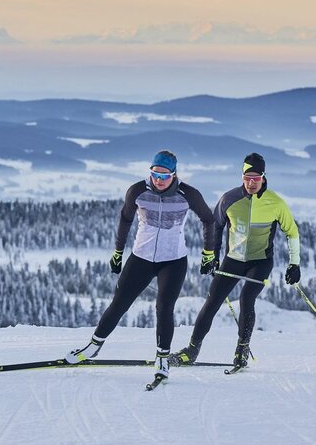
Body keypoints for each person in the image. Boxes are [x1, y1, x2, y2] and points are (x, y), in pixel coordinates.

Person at [66, 150, 216, 385]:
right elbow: (125, 219)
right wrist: (118, 252)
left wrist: (208, 253)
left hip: (173, 260)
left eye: (165, 176)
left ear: (175, 175)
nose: (159, 180)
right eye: (155, 174)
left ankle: (163, 359)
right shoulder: (137, 191)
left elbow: (209, 219)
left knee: (164, 308)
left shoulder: (189, 195)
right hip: (141, 257)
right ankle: (93, 347)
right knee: (119, 304)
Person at [172, 152, 300, 370]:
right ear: (242, 177)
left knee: (246, 299)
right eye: (247, 178)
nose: (251, 183)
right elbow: (216, 226)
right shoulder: (229, 199)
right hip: (234, 259)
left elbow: (292, 232)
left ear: (263, 177)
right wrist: (212, 256)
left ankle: (242, 350)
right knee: (212, 302)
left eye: (256, 178)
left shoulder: (275, 203)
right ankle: (191, 351)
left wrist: (294, 264)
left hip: (260, 261)